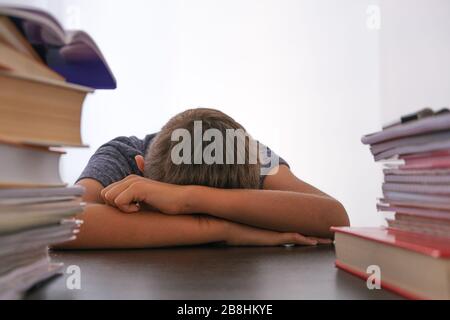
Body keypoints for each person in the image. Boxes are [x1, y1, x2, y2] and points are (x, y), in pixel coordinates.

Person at [58, 108, 349, 249]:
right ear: (141, 168)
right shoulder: (122, 155)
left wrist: (187, 199)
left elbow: (335, 219)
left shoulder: (252, 156)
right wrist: (224, 229)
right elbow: (58, 223)